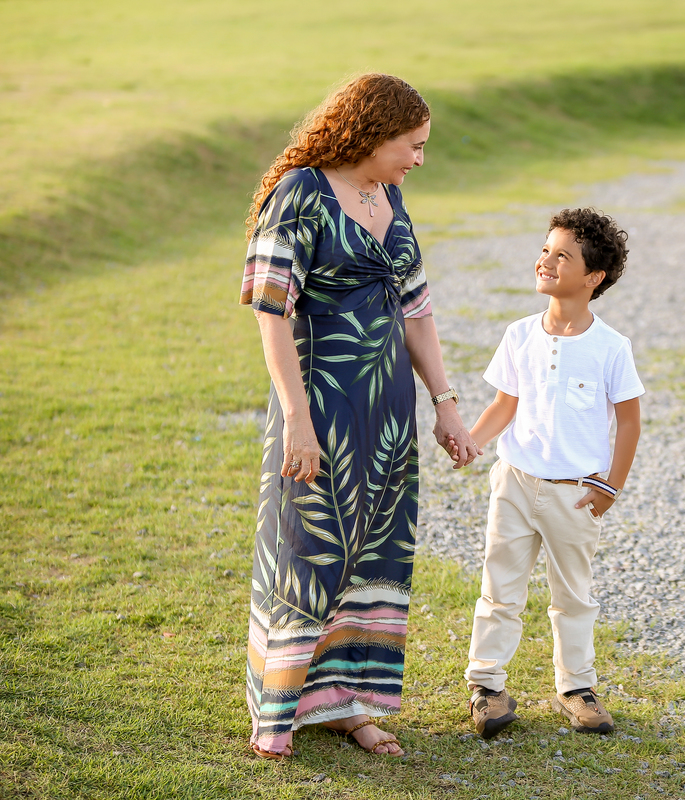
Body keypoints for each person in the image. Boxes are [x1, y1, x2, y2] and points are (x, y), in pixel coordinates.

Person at [240, 73, 482, 760]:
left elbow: (417, 309)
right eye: (413, 144)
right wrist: (296, 419)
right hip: (320, 401)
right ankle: (279, 711)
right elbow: (271, 314)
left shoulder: (391, 197)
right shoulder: (301, 196)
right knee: (308, 548)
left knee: (376, 551)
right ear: (372, 134)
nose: (418, 159)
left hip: (387, 408)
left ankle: (350, 705)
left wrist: (445, 406)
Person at [455, 208, 643, 738]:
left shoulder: (611, 348)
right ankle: (487, 686)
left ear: (593, 277)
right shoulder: (518, 335)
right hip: (514, 483)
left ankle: (576, 687)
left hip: (576, 495)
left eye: (563, 255)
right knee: (499, 589)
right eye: (545, 249)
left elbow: (628, 422)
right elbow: (504, 404)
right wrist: (472, 439)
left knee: (574, 596)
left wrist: (610, 485)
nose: (546, 260)